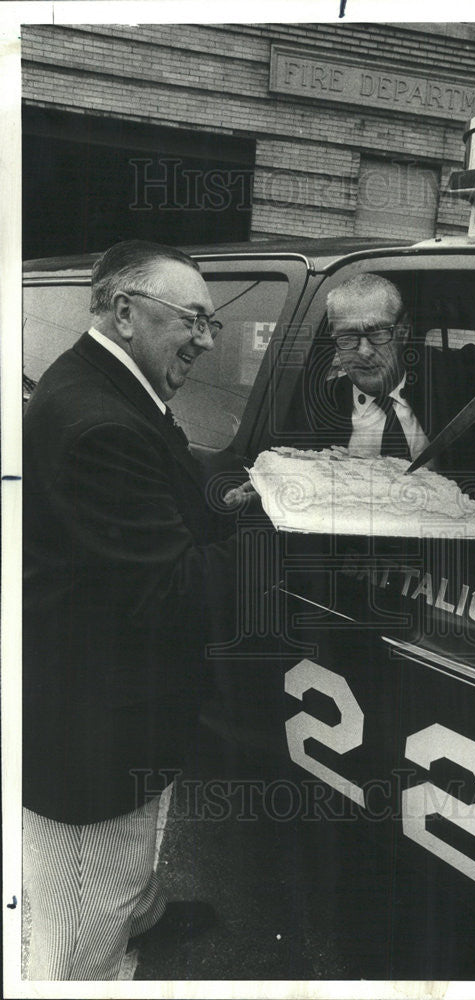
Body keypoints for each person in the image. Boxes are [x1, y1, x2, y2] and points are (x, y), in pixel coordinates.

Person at [22, 240, 243, 980]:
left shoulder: (106, 389)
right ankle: (102, 963)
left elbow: (165, 490)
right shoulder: (102, 423)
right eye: (193, 320)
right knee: (79, 927)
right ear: (124, 312)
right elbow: (174, 591)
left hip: (103, 705)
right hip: (93, 738)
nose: (207, 341)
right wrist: (278, 526)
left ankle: (139, 915)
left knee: (122, 867)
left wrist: (234, 499)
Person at [302, 273, 475, 491]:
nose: (364, 351)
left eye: (378, 333)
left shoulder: (455, 375)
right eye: (347, 338)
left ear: (403, 331)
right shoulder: (315, 407)